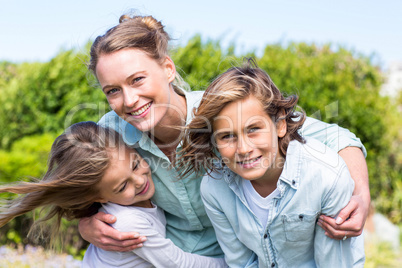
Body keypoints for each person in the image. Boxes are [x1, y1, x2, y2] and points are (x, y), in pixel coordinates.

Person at [79, 13, 370, 256]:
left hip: (241, 252)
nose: (129, 100)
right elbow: (74, 181)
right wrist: (86, 224)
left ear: (167, 68)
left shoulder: (223, 110)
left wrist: (361, 194)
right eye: (113, 91)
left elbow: (337, 137)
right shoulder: (110, 134)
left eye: (138, 79)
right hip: (169, 251)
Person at [178, 60, 365, 267]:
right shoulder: (214, 188)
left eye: (253, 129)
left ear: (280, 125)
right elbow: (241, 263)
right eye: (227, 136)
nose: (243, 149)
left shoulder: (326, 176)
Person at [0, 121, 227, 268]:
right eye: (121, 187)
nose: (140, 181)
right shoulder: (127, 223)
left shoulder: (121, 145)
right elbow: (177, 263)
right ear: (100, 198)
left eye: (136, 164)